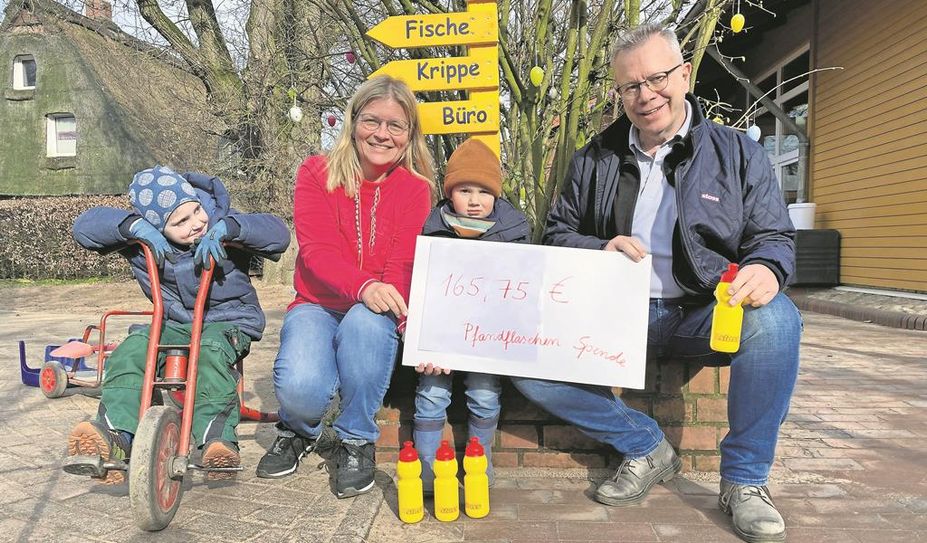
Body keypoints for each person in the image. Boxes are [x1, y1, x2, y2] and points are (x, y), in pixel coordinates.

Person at [513, 24, 801, 543]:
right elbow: (556, 234)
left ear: (684, 74)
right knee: (518, 357)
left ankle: (744, 482)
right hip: (614, 315)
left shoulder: (737, 153)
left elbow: (774, 235)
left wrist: (767, 268)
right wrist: (599, 247)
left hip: (703, 309)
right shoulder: (595, 157)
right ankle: (646, 446)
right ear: (619, 93)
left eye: (657, 78)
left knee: (778, 322)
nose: (645, 95)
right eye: (630, 86)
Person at [256, 75, 436, 499]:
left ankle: (356, 438)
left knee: (364, 322)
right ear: (353, 122)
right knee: (301, 390)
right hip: (317, 303)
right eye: (372, 121)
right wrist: (363, 285)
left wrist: (397, 310)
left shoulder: (414, 189)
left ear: (410, 135)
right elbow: (316, 252)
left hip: (373, 310)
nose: (382, 134)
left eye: (396, 125)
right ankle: (298, 429)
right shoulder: (316, 172)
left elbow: (402, 265)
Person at [66, 165, 290, 483]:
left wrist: (229, 230)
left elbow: (278, 234)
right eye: (180, 222)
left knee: (210, 351)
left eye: (196, 211)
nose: (197, 223)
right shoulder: (143, 243)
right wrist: (133, 227)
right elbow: (84, 228)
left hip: (228, 322)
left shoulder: (219, 222)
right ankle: (116, 438)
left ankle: (217, 442)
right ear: (157, 226)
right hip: (172, 322)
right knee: (131, 350)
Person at [413, 137, 531, 492]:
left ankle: (480, 463)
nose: (475, 200)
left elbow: (524, 285)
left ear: (496, 193)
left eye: (484, 191)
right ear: (450, 193)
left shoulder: (514, 231)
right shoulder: (432, 227)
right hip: (441, 336)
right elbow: (421, 285)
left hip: (489, 337)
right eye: (465, 190)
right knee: (431, 392)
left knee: (484, 392)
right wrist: (422, 339)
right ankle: (428, 470)